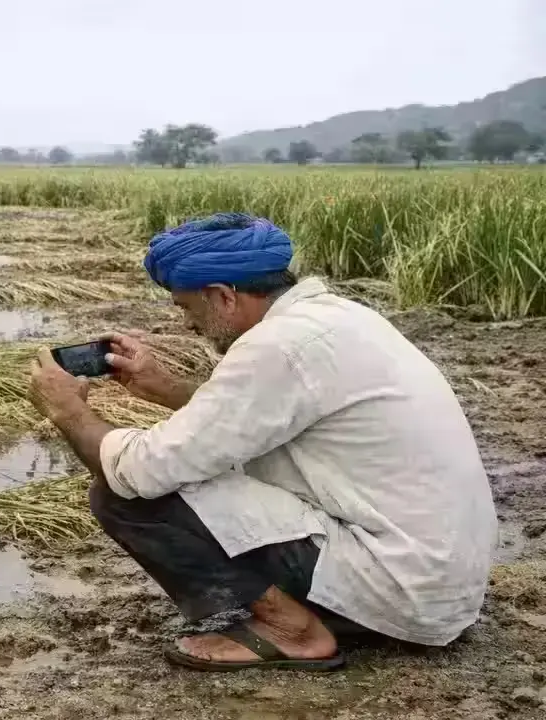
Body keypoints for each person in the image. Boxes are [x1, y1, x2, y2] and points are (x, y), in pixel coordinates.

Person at [27, 212, 498, 672]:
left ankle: (295, 632)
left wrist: (68, 411)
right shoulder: (335, 319)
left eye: (188, 308)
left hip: (404, 588)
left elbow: (140, 471)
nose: (190, 325)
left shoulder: (278, 347)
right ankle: (328, 612)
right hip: (435, 584)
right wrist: (163, 388)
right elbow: (256, 421)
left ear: (222, 296)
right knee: (190, 467)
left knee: (122, 490)